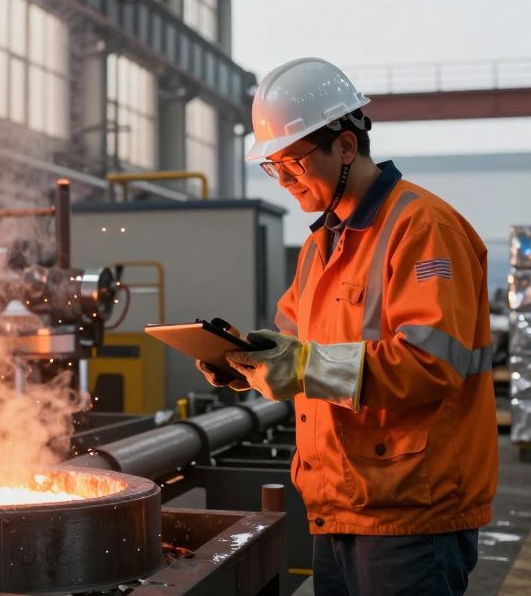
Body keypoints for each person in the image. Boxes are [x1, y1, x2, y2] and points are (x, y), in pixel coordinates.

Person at [198, 57, 498, 596]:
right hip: (338, 503)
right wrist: (247, 363)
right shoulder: (321, 246)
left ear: (345, 145)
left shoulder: (422, 229)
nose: (285, 180)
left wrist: (296, 365)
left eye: (293, 161)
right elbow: (295, 349)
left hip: (411, 512)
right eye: (274, 167)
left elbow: (431, 364)